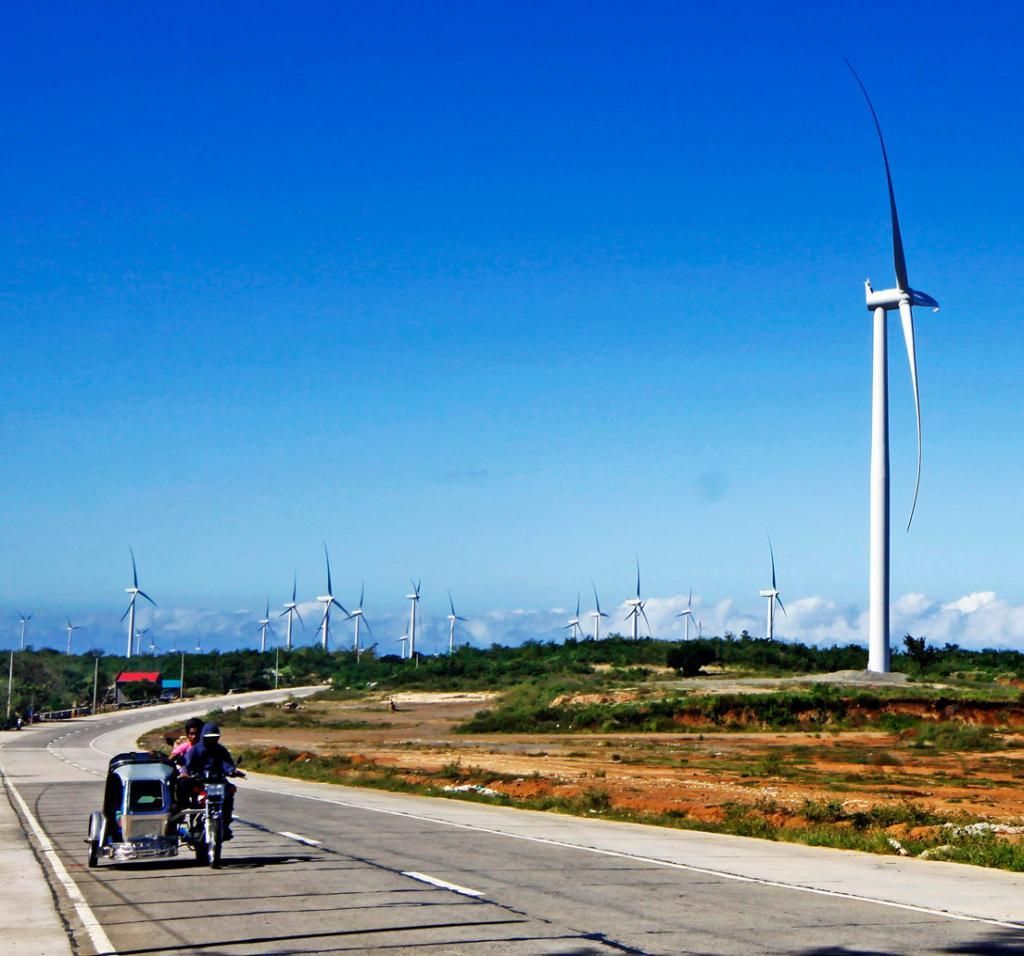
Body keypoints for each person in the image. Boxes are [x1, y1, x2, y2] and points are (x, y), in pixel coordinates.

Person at [183, 723, 242, 838]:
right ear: (203, 736)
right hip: (200, 782)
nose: (211, 740)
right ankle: (196, 826)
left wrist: (232, 770)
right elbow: (187, 763)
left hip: (218, 781)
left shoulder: (221, 750)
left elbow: (226, 763)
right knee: (195, 799)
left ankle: (225, 825)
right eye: (209, 737)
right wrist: (185, 773)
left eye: (214, 737)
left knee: (228, 794)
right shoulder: (195, 750)